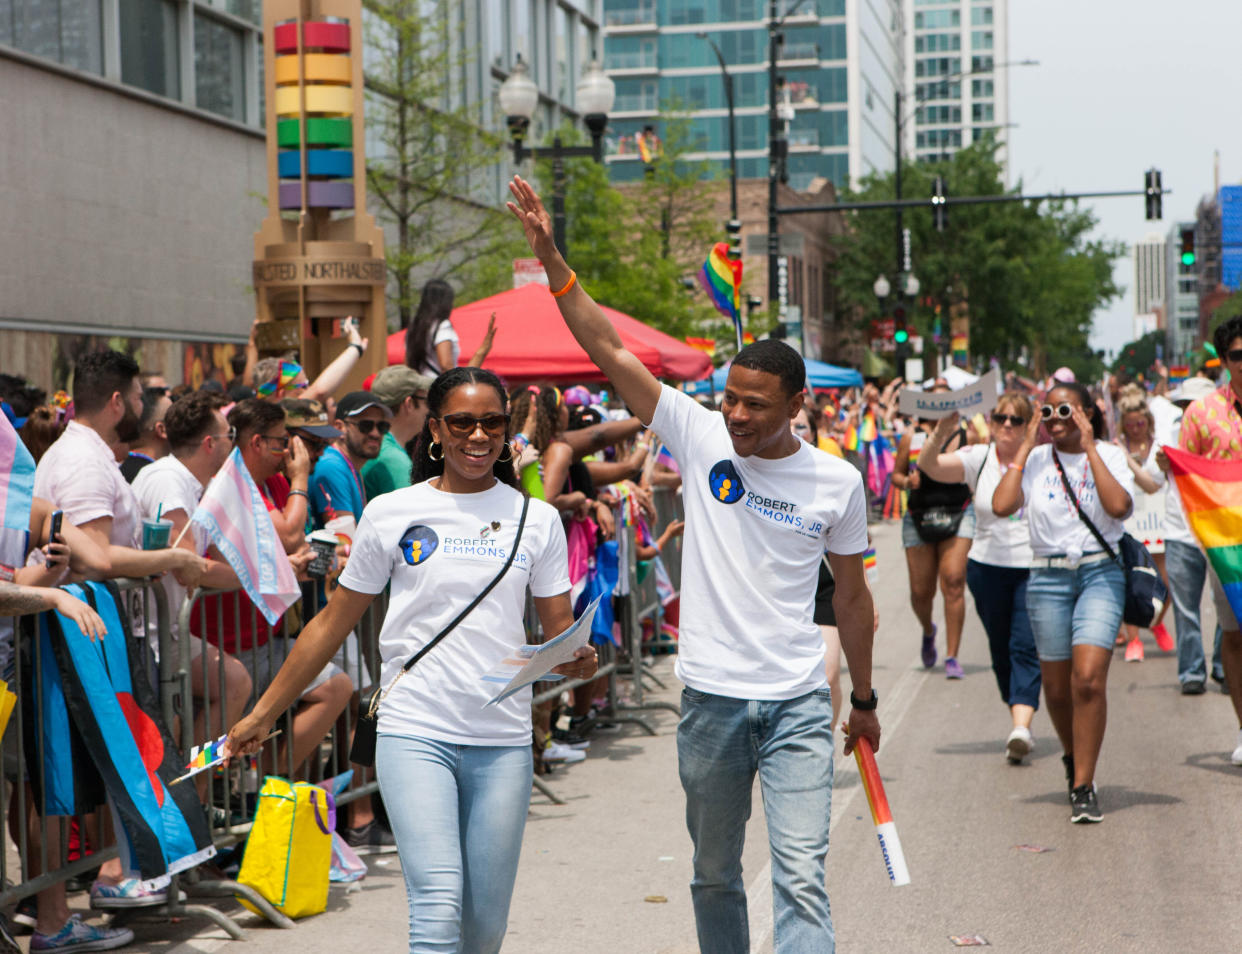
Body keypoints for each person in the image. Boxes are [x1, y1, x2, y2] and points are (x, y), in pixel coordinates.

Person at [507, 175, 878, 953]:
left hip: (798, 706)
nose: (736, 415)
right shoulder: (700, 432)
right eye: (731, 399)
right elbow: (604, 347)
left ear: (797, 405)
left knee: (802, 874)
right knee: (714, 874)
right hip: (711, 702)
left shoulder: (837, 483)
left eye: (756, 405)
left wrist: (865, 698)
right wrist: (551, 259)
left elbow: (851, 602)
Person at [228, 366, 596, 954]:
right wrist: (264, 712)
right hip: (414, 728)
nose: (478, 436)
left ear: (506, 430)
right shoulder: (393, 512)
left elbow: (559, 636)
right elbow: (330, 622)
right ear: (434, 430)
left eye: (492, 423)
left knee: (483, 928)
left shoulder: (538, 518)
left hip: (500, 737)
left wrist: (576, 660)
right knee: (437, 904)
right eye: (462, 423)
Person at [993, 381, 1134, 823]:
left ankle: (1084, 785)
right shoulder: (1035, 460)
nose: (1056, 420)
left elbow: (1119, 507)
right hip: (1047, 576)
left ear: (1088, 413)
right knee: (1055, 688)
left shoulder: (1109, 455)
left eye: (1066, 411)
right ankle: (1074, 757)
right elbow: (1001, 505)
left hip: (1099, 572)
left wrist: (1090, 445)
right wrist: (1025, 443)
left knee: (1088, 680)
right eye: (1048, 412)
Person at [189, 399, 349, 775]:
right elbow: (290, 534)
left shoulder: (275, 480)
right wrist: (300, 479)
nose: (289, 453)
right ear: (257, 442)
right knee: (209, 750)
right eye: (282, 442)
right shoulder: (233, 485)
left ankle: (265, 793)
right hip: (223, 645)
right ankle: (197, 813)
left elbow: (291, 544)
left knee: (336, 687)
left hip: (267, 640)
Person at [916, 393, 1042, 763]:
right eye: (1001, 417)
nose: (1006, 425)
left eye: (1016, 420)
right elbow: (930, 467)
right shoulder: (979, 456)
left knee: (1023, 646)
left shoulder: (1039, 461)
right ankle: (1019, 715)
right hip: (986, 567)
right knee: (1000, 649)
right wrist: (940, 432)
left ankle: (1021, 725)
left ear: (1027, 426)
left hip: (1032, 566)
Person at [131, 392, 253, 755]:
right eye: (229, 433)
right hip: (148, 634)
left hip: (164, 629)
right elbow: (188, 568)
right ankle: (189, 798)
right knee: (174, 723)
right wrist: (252, 578)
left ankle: (193, 797)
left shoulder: (186, 482)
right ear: (209, 442)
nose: (233, 441)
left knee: (233, 684)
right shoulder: (170, 480)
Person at [1177, 314, 1242, 762]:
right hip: (1229, 549)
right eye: (1239, 355)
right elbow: (1187, 475)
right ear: (1224, 360)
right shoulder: (1202, 413)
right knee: (1236, 636)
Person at [891, 385, 974, 677]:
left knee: (953, 580)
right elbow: (896, 475)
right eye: (934, 394)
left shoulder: (968, 434)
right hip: (919, 516)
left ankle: (952, 656)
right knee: (920, 592)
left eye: (945, 394)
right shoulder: (910, 437)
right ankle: (928, 629)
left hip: (958, 512)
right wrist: (905, 483)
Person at [1156, 376, 1223, 694]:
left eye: (1194, 405)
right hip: (1180, 531)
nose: (1189, 411)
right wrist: (1161, 463)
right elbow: (1157, 478)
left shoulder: (1227, 434)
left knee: (1230, 605)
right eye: (1184, 405)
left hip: (1220, 532)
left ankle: (1224, 666)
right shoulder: (1170, 436)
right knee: (1186, 607)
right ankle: (1192, 671)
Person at [1114, 386, 1172, 661]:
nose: (1136, 429)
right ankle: (1134, 639)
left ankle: (1156, 621)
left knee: (1167, 584)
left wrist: (1130, 463)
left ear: (1148, 421)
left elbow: (1154, 483)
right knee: (1133, 583)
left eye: (1140, 423)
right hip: (1132, 523)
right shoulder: (1116, 448)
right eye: (1130, 424)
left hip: (1158, 520)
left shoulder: (1159, 446)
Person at [362, 367, 435, 498]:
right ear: (409, 404)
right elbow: (411, 514)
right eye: (427, 401)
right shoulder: (394, 459)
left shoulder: (379, 446)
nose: (430, 410)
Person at [119, 387, 172, 482]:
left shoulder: (119, 469)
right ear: (161, 429)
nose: (182, 423)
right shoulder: (159, 477)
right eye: (175, 417)